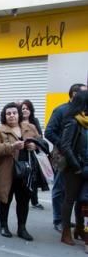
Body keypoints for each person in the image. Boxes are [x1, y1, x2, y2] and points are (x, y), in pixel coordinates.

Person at [0, 103, 42, 241]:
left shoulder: (30, 127)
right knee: (5, 199)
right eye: (8, 113)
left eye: (14, 113)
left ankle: (22, 228)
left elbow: (41, 142)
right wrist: (11, 146)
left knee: (24, 200)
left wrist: (35, 145)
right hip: (7, 171)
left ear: (19, 114)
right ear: (4, 116)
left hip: (26, 171)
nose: (12, 115)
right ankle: (3, 225)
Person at [45, 83, 87, 232]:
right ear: (75, 94)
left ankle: (71, 222)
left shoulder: (83, 114)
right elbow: (49, 132)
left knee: (74, 193)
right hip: (63, 157)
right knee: (59, 188)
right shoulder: (61, 110)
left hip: (78, 159)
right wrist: (63, 146)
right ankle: (58, 220)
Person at [59, 90, 88, 246]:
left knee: (81, 200)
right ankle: (65, 232)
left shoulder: (85, 121)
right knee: (69, 199)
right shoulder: (73, 121)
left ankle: (79, 228)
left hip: (84, 166)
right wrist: (76, 166)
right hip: (73, 168)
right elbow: (66, 146)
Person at [21, 100, 44, 210]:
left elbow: (40, 139)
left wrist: (36, 145)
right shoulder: (17, 122)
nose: (25, 110)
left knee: (34, 177)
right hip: (21, 154)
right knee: (23, 177)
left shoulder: (35, 121)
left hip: (33, 154)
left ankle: (34, 200)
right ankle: (22, 197)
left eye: (27, 108)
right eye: (23, 108)